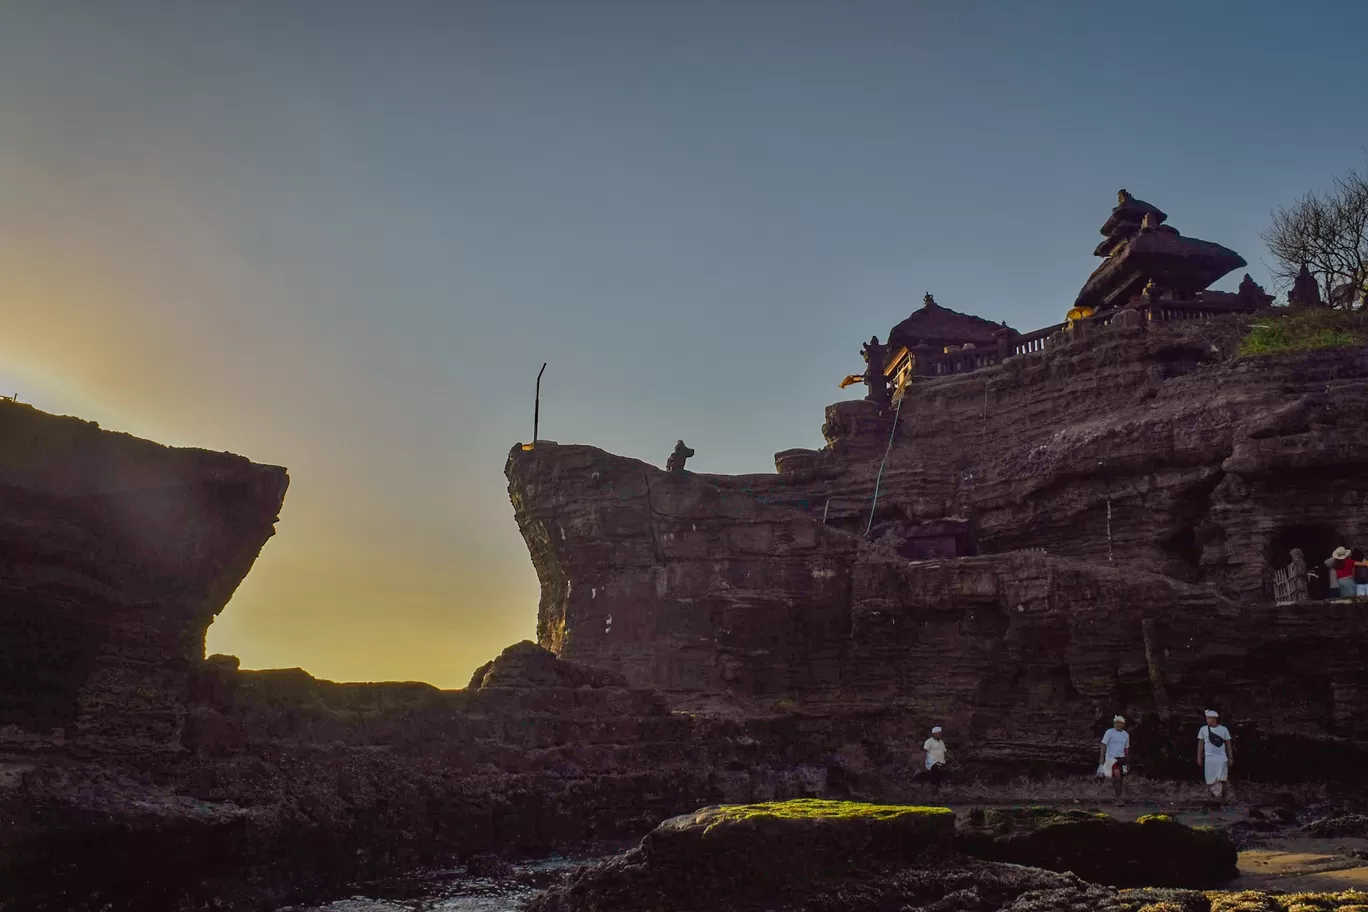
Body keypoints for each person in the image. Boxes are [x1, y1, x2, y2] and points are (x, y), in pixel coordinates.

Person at [1197, 710, 1234, 804]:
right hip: (1209, 759)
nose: (1207, 720)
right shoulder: (1203, 729)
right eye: (1206, 718)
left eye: (1209, 718)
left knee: (1223, 780)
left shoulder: (1223, 729)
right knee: (1210, 780)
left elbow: (1228, 744)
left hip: (1222, 758)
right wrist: (1199, 757)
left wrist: (1230, 757)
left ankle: (1225, 800)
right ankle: (1212, 800)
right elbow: (1200, 743)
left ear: (1214, 719)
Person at [1098, 715, 1130, 802]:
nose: (1117, 725)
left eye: (1120, 723)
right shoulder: (1109, 732)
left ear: (1123, 724)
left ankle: (1118, 796)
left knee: (1121, 779)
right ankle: (1118, 798)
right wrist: (1101, 757)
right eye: (1116, 723)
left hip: (1122, 758)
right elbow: (1103, 744)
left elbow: (1126, 749)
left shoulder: (1126, 735)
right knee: (1117, 776)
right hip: (1111, 759)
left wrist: (1127, 762)